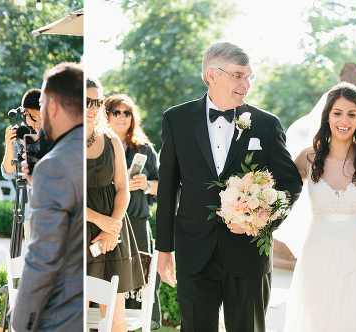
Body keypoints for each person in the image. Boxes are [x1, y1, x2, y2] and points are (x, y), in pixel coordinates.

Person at [156, 41, 302, 332]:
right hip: (194, 252)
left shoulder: (266, 124)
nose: (246, 84)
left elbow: (291, 183)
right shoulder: (176, 119)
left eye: (249, 76)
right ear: (212, 75)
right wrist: (164, 250)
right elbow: (168, 187)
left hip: (249, 255)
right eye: (238, 75)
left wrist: (262, 219)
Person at [283, 82, 356, 331]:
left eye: (352, 114)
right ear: (327, 116)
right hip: (318, 252)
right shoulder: (307, 157)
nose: (344, 120)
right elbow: (280, 196)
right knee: (319, 320)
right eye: (337, 113)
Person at [10, 62, 84, 332]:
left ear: (51, 106)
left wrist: (20, 323)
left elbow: (43, 259)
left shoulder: (55, 166)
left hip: (59, 318)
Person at [85, 78, 145, 332]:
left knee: (115, 319)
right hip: (78, 229)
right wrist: (102, 223)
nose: (92, 107)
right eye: (86, 101)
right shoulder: (61, 141)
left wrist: (112, 228)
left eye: (97, 101)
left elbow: (122, 188)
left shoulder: (112, 141)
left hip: (113, 229)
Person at [104, 93, 161, 328]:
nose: (121, 117)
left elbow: (161, 185)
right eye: (116, 112)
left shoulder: (145, 149)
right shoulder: (97, 146)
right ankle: (109, 322)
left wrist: (145, 185)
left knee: (143, 278)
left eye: (126, 112)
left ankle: (146, 322)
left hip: (137, 222)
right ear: (105, 115)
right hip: (108, 224)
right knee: (109, 276)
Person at [3, 89, 43, 180]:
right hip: (25, 192)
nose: (38, 123)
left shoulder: (52, 134)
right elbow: (9, 174)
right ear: (24, 115)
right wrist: (9, 145)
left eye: (41, 118)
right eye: (33, 118)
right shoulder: (21, 134)